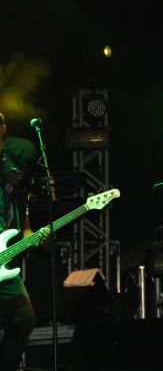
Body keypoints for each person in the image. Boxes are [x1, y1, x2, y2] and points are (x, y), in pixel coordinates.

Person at [0, 112, 44, 371]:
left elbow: (24, 226)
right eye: (17, 170)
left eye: (24, 171)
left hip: (3, 267)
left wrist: (35, 236)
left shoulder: (18, 190)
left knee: (24, 318)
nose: (20, 176)